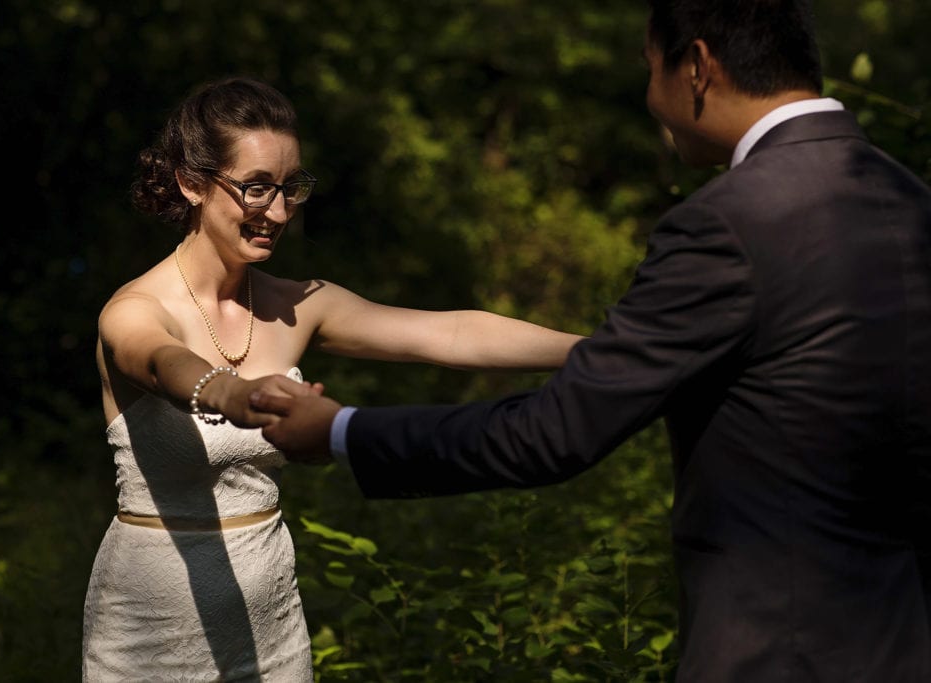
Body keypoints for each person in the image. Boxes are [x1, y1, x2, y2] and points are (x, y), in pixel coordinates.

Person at [252, 1, 931, 681]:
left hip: (779, 655)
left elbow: (553, 433)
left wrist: (340, 430)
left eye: (648, 68)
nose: (648, 97)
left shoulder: (729, 222)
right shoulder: (909, 200)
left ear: (696, 67)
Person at [81, 76, 584, 681]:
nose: (279, 210)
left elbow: (450, 334)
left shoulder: (298, 304)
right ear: (192, 183)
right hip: (150, 628)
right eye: (256, 188)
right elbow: (160, 360)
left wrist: (607, 352)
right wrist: (229, 392)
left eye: (291, 188)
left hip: (271, 624)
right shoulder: (134, 309)